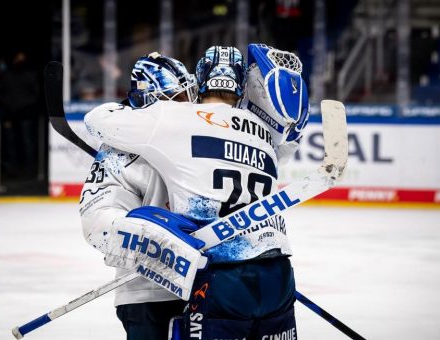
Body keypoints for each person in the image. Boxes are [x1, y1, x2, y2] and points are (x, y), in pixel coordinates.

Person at [84, 44, 309, 339]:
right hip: (160, 289)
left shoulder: (174, 120)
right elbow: (98, 219)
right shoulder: (262, 131)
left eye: (185, 96)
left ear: (198, 85)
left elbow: (97, 119)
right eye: (172, 99)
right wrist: (151, 241)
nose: (181, 104)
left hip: (208, 278)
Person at [79, 52, 198, 339]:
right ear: (150, 102)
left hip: (205, 287)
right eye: (178, 98)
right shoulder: (118, 153)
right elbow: (97, 221)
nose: (189, 106)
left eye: (191, 94)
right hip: (148, 292)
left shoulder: (201, 135)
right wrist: (159, 244)